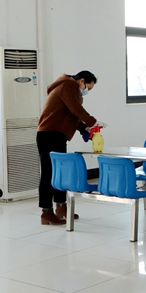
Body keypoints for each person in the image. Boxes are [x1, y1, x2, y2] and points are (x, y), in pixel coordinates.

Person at [36, 71, 105, 225]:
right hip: (49, 135)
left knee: (60, 172)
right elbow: (76, 110)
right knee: (49, 173)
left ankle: (61, 206)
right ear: (81, 81)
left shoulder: (70, 89)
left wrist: (84, 128)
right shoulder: (68, 85)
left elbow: (71, 115)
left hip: (57, 135)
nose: (87, 91)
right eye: (88, 87)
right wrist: (93, 122)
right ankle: (46, 212)